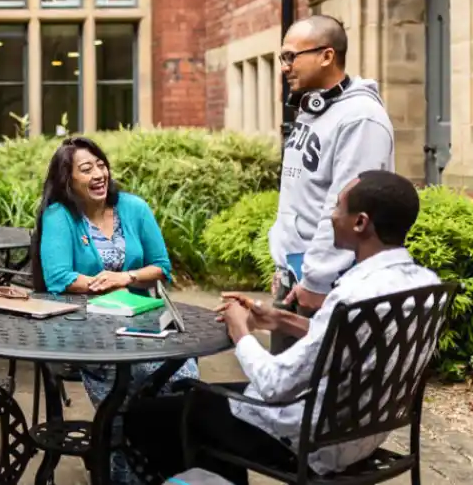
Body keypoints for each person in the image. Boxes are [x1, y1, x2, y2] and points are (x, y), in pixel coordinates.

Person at [122, 170, 440, 484]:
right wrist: (280, 319)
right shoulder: (426, 285)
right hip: (362, 432)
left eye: (337, 208)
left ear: (361, 223)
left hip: (310, 443)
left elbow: (276, 384)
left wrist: (241, 331)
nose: (330, 217)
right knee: (188, 397)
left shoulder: (352, 294)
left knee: (149, 417)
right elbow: (351, 341)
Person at [33, 136, 195, 485]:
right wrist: (102, 284)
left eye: (101, 165)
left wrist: (126, 277)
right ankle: (125, 470)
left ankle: (170, 470)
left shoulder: (134, 208)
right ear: (68, 179)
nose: (98, 174)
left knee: (181, 372)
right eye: (86, 168)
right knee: (133, 382)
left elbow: (161, 267)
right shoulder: (60, 215)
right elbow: (58, 277)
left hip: (143, 319)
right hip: (89, 329)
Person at [269, 15, 395, 353]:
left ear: (326, 55)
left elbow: (348, 208)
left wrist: (316, 279)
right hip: (296, 275)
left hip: (330, 285)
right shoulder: (315, 109)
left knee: (322, 396)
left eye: (290, 56)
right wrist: (283, 264)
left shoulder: (360, 119)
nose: (285, 67)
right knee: (284, 394)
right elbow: (299, 195)